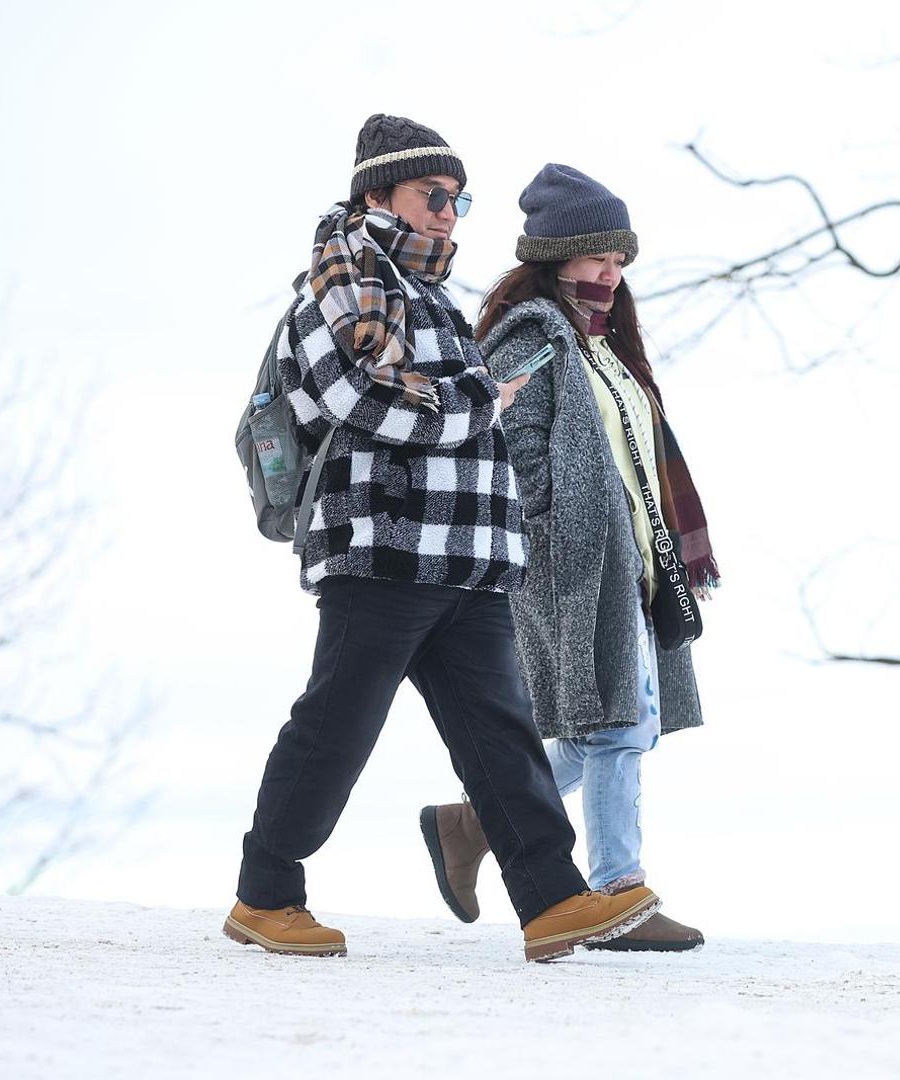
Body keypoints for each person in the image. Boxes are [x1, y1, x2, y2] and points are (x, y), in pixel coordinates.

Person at [225, 120, 658, 963]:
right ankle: (264, 894)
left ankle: (552, 900)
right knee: (335, 728)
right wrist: (477, 403)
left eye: (459, 200)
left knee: (501, 735)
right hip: (383, 551)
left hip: (465, 558)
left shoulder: (431, 298)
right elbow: (358, 400)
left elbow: (433, 402)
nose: (449, 214)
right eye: (434, 197)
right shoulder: (336, 288)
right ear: (377, 194)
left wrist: (470, 415)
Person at [420, 164, 719, 952]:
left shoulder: (604, 348)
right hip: (573, 565)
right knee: (620, 725)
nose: (610, 273)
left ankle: (475, 820)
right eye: (595, 257)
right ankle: (619, 893)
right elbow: (507, 447)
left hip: (630, 564)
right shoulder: (532, 334)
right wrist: (554, 531)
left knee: (603, 729)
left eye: (619, 259)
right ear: (555, 259)